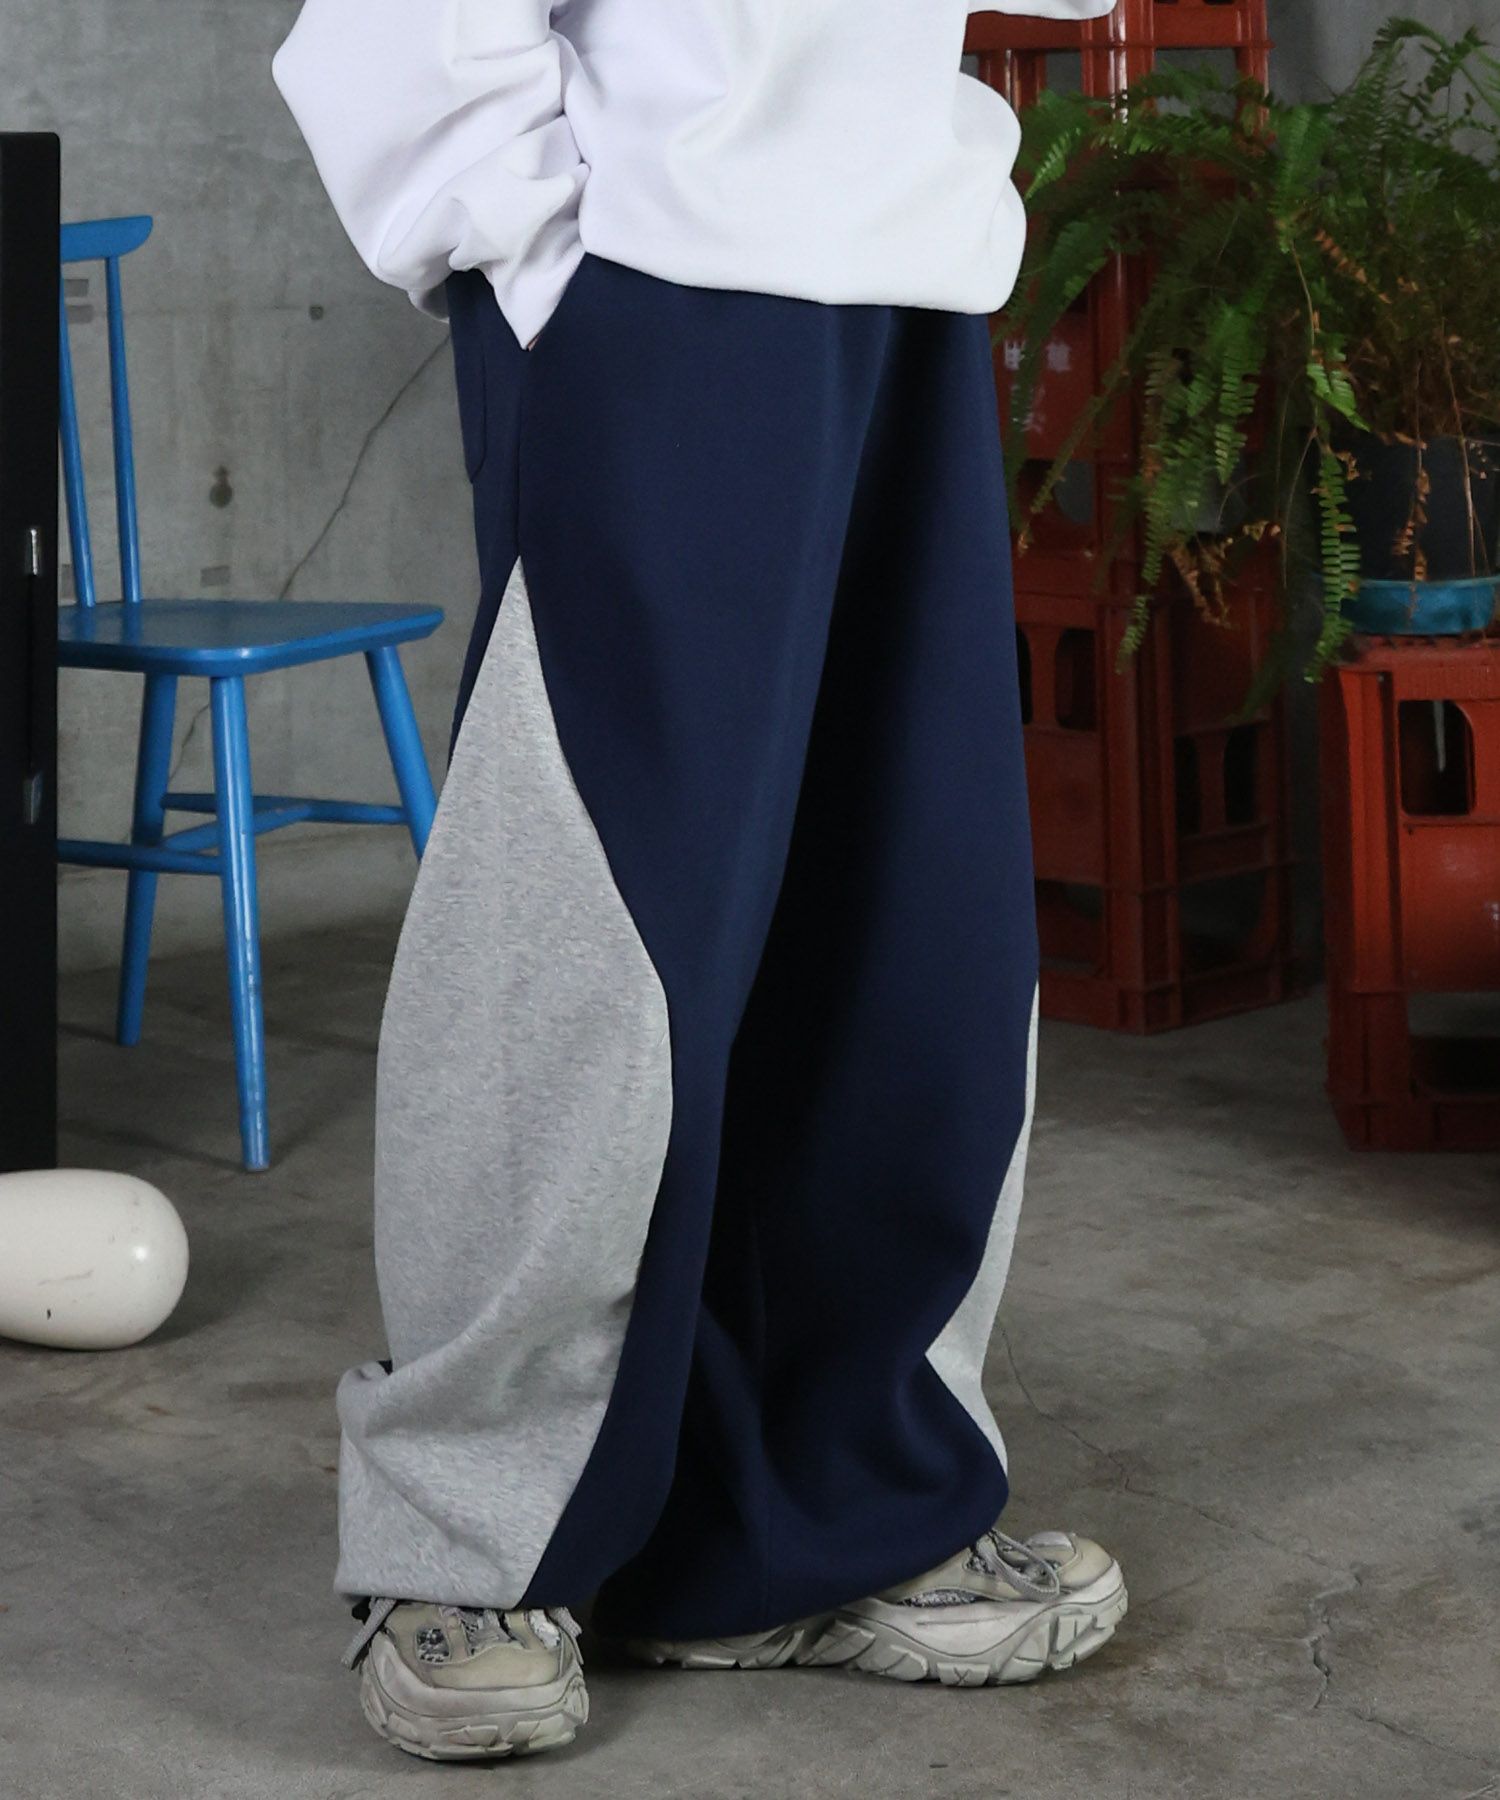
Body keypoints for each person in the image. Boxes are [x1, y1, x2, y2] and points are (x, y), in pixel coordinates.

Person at [272, 0, 1126, 1762]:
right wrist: (537, 253)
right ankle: (471, 1544)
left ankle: (818, 1512)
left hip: (913, 264)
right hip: (644, 275)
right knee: (592, 930)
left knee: (910, 925)